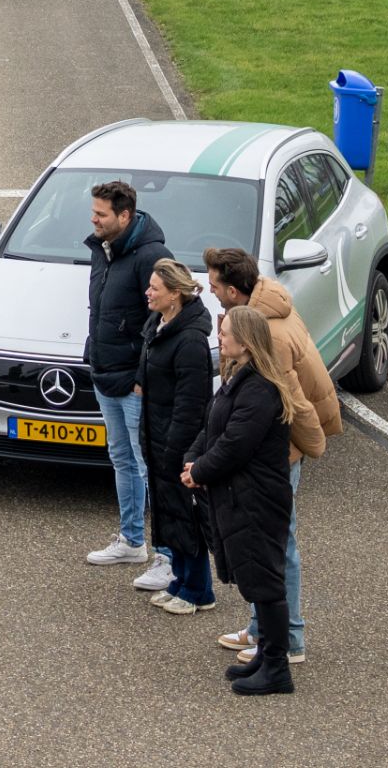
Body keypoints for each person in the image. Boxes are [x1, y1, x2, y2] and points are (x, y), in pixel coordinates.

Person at [204, 249, 344, 666]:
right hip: (275, 444)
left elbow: (291, 402)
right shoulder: (262, 309)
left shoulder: (269, 336)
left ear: (233, 290)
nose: (210, 292)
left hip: (279, 450)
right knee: (269, 542)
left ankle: (290, 639)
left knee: (276, 543)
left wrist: (305, 448)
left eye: (214, 286)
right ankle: (263, 628)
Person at [183, 305, 313, 695]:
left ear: (245, 340)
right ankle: (266, 654)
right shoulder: (240, 378)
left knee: (266, 582)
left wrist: (200, 471)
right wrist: (192, 458)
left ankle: (277, 668)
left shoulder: (259, 389)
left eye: (225, 333)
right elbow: (213, 426)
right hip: (240, 496)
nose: (219, 338)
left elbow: (236, 444)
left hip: (257, 500)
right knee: (255, 580)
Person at [80, 180, 178, 589]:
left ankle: (168, 557)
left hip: (135, 385)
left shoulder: (153, 257)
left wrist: (143, 377)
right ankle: (132, 540)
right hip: (105, 373)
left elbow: (167, 317)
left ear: (124, 215)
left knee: (149, 467)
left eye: (101, 214)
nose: (94, 219)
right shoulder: (102, 250)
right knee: (121, 458)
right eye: (94, 212)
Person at [130, 259, 218, 614]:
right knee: (169, 515)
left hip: (178, 445)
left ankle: (199, 591)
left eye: (155, 288)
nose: (148, 292)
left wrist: (176, 451)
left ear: (176, 295)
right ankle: (180, 580)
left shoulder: (191, 342)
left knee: (187, 517)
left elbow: (191, 405)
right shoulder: (158, 324)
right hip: (158, 438)